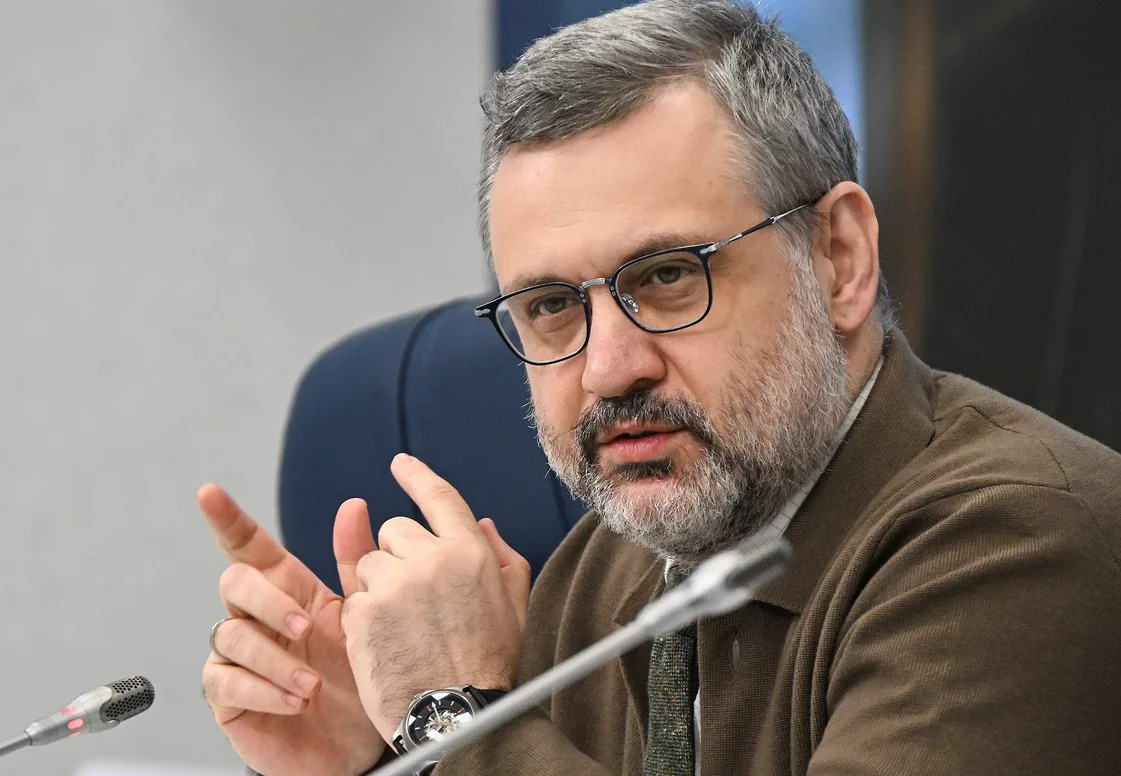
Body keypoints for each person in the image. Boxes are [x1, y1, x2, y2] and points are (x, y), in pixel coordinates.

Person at [199, 2, 1121, 774]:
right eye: (551, 305)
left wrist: (454, 719)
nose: (608, 368)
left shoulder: (1026, 540)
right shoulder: (607, 565)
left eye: (670, 276)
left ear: (838, 259)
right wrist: (371, 755)